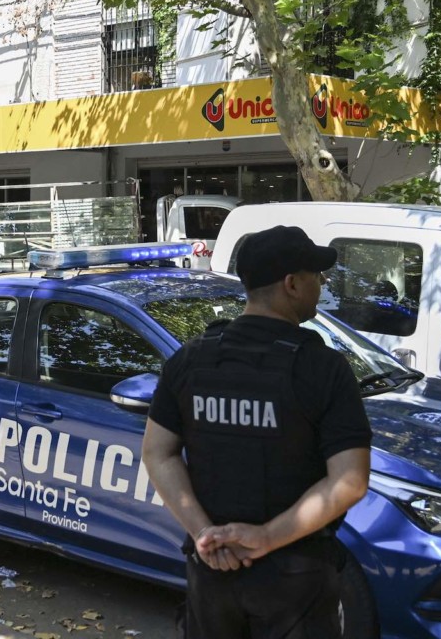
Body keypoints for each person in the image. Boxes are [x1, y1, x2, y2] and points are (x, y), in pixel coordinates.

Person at [142, 225, 372, 639]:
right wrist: (265, 538)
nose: (321, 285)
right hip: (295, 578)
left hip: (211, 573)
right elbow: (351, 481)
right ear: (292, 284)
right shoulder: (323, 368)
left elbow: (158, 452)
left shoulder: (190, 360)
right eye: (316, 276)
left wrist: (203, 534)